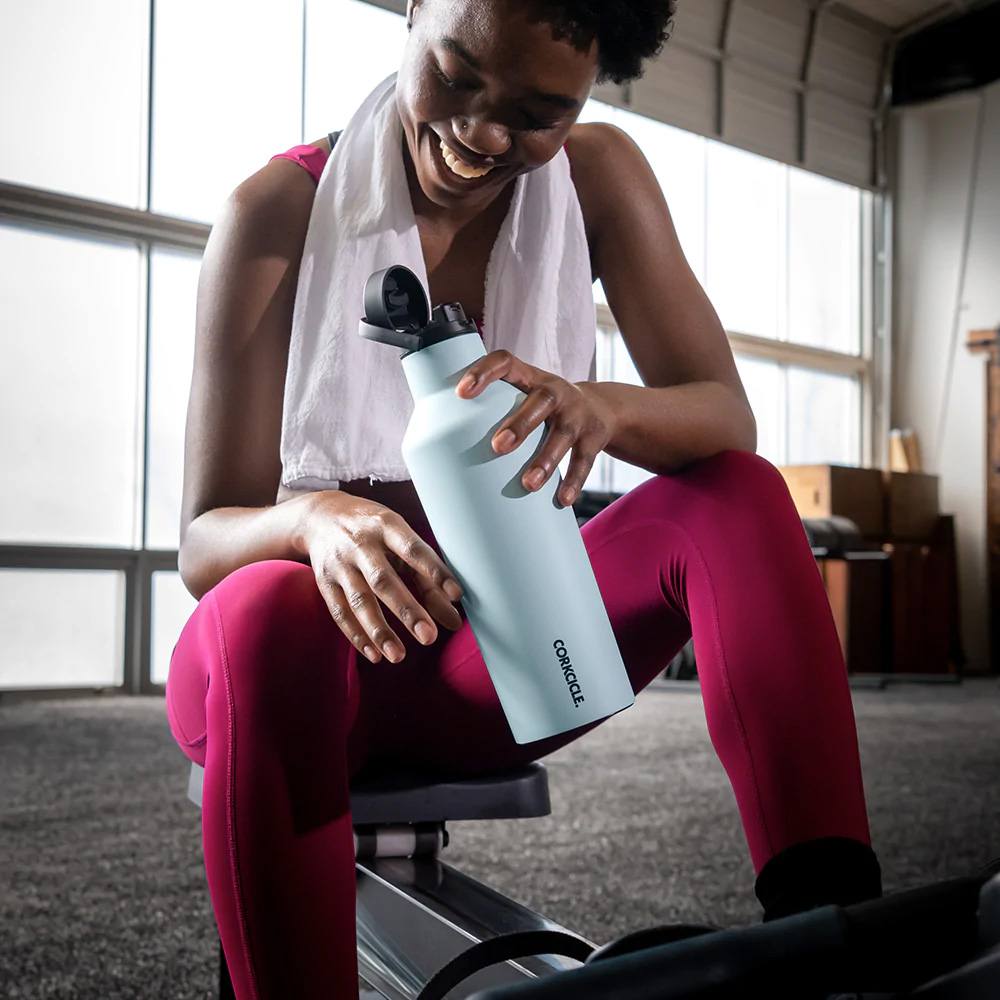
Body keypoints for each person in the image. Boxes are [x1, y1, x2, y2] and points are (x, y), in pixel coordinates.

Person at [165, 1, 883, 997]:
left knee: (740, 495)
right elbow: (203, 542)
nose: (482, 133)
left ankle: (834, 938)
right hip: (286, 675)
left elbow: (725, 414)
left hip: (489, 661)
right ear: (414, 11)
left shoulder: (599, 177)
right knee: (266, 602)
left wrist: (600, 406)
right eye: (456, 76)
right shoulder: (275, 210)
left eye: (538, 114)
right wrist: (313, 518)